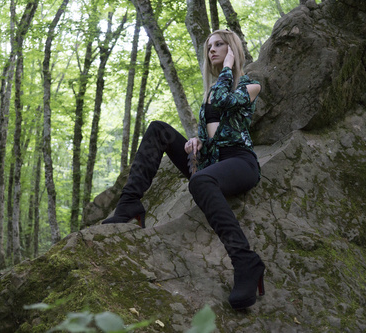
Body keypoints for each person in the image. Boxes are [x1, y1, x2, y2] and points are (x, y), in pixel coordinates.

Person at [102, 29, 265, 310]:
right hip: (211, 162)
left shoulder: (250, 86)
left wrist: (228, 66)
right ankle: (129, 204)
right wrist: (196, 141)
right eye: (209, 47)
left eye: (219, 45)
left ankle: (245, 262)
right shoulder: (209, 93)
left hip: (239, 162)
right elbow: (212, 130)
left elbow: (226, 102)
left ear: (232, 49)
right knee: (158, 129)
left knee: (200, 182)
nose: (211, 50)